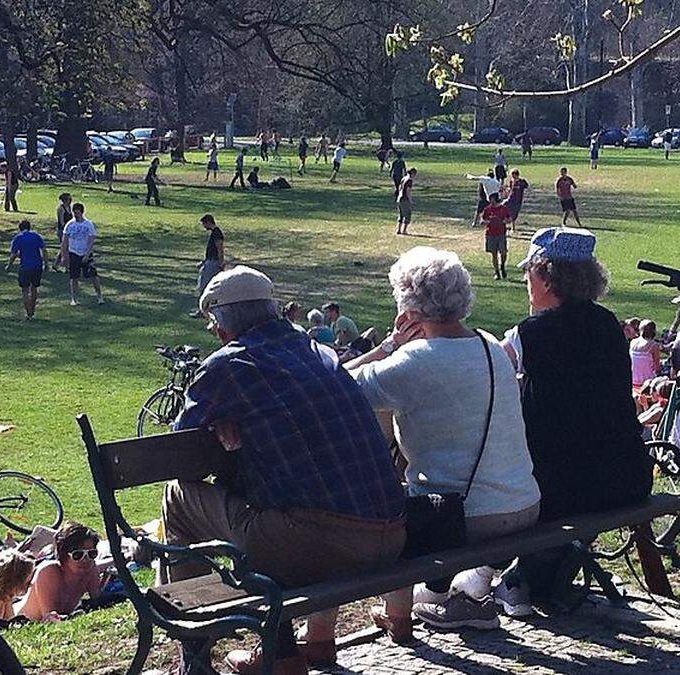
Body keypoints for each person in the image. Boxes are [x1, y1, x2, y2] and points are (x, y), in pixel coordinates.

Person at [162, 265, 405, 673]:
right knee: (270, 506)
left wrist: (220, 421)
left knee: (179, 497)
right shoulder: (320, 353)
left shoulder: (228, 365)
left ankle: (197, 653)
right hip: (391, 534)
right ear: (274, 312)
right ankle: (281, 652)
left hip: (319, 542)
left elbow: (177, 450)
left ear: (222, 328)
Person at [344, 247, 541, 635]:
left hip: (465, 517)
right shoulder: (489, 346)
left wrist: (386, 346)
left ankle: (398, 618)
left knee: (389, 508)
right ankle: (440, 598)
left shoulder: (414, 360)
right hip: (524, 503)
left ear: (408, 310)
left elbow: (333, 386)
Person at [498, 227, 653, 611]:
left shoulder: (527, 335)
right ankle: (545, 571)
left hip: (562, 489)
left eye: (529, 273)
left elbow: (486, 372)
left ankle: (498, 579)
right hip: (625, 475)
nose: (526, 282)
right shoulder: (609, 325)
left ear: (548, 277)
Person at [16, 522, 104, 622]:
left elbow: (97, 601)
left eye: (92, 553)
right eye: (77, 555)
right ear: (64, 555)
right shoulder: (49, 571)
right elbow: (50, 617)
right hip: (19, 622)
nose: (86, 559)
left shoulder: (90, 569)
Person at [61, 203, 104, 306]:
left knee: (93, 276)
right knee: (74, 277)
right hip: (73, 253)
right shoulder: (70, 225)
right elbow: (65, 241)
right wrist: (64, 256)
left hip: (86, 253)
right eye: (74, 213)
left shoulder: (88, 224)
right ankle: (74, 298)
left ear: (82, 212)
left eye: (77, 213)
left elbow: (91, 241)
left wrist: (87, 255)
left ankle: (99, 296)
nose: (76, 215)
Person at [6, 220, 47, 320]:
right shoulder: (36, 236)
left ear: (20, 228)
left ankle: (28, 312)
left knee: (25, 290)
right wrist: (46, 264)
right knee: (34, 288)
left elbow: (13, 254)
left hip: (25, 267)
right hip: (37, 266)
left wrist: (9, 266)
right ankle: (32, 310)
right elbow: (44, 250)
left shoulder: (18, 238)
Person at [629, 320, 662, 407]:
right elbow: (657, 367)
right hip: (647, 383)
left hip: (633, 380)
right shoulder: (654, 345)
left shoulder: (633, 342)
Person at [482, 193, 511, 279]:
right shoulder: (487, 209)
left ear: (495, 199)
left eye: (491, 199)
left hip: (501, 234)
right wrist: (485, 222)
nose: (490, 201)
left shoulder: (503, 209)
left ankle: (502, 266)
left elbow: (509, 219)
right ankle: (497, 272)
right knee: (494, 254)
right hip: (491, 234)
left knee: (503, 252)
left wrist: (506, 221)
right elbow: (482, 219)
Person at [197, 214, 225, 301]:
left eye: (204, 224)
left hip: (213, 263)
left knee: (205, 286)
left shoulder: (217, 233)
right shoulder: (214, 232)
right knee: (204, 285)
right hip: (209, 261)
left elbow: (219, 248)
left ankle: (204, 309)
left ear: (209, 222)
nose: (204, 226)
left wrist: (221, 263)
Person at [396, 167, 416, 235]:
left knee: (401, 215)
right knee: (407, 214)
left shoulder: (403, 178)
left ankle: (398, 230)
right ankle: (404, 231)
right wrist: (410, 200)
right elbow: (408, 191)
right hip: (405, 199)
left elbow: (399, 188)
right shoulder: (409, 180)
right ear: (412, 173)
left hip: (399, 198)